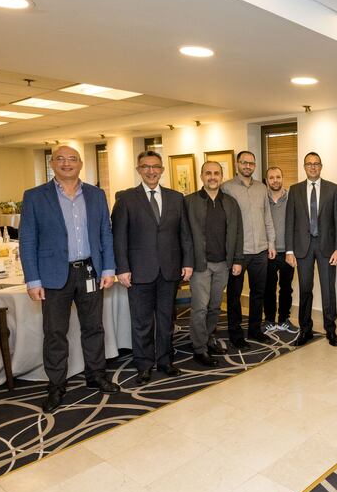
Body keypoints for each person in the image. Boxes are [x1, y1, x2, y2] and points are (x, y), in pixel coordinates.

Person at [19, 145, 120, 413]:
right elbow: (27, 240)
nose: (66, 163)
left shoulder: (97, 195)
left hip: (89, 270)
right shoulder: (35, 197)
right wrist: (33, 280)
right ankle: (56, 385)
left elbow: (105, 234)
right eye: (61, 159)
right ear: (52, 164)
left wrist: (108, 268)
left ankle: (96, 375)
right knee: (54, 332)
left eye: (72, 159)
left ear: (81, 163)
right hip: (53, 275)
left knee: (93, 327)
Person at [111, 150, 193, 385]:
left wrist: (187, 262)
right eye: (145, 167)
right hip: (138, 271)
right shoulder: (126, 198)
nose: (151, 171)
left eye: (155, 166)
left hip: (169, 269)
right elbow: (119, 237)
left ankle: (166, 361)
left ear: (162, 170)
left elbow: (184, 234)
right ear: (138, 170)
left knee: (167, 320)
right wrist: (122, 268)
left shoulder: (176, 198)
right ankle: (144, 364)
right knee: (142, 322)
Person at [185, 161, 244, 367]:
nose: (212, 177)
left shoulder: (230, 202)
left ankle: (208, 338)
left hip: (223, 265)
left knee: (215, 307)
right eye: (208, 173)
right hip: (200, 265)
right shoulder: (189, 202)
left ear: (221, 176)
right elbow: (184, 236)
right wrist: (187, 263)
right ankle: (199, 348)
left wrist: (237, 260)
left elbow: (238, 233)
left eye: (216, 173)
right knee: (199, 308)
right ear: (201, 176)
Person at [285, 152, 337, 347]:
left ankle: (331, 330)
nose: (313, 167)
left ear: (321, 166)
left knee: (328, 290)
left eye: (316, 164)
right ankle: (305, 330)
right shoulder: (294, 190)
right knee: (305, 289)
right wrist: (289, 251)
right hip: (303, 248)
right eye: (309, 164)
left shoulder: (333, 189)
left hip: (326, 247)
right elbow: (289, 221)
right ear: (304, 166)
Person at [221, 151, 276, 349]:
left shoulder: (262, 188)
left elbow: (267, 217)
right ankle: (235, 334)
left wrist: (271, 243)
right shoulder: (226, 188)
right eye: (244, 163)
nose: (248, 166)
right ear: (237, 164)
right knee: (234, 295)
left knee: (258, 293)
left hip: (260, 250)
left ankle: (255, 329)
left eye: (251, 163)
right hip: (238, 252)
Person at [263, 166, 298, 335]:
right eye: (271, 177)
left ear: (283, 178)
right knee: (268, 287)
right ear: (267, 180)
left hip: (288, 251)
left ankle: (284, 319)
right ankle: (269, 320)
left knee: (286, 288)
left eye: (278, 177)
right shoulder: (262, 198)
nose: (275, 180)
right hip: (268, 251)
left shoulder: (292, 197)